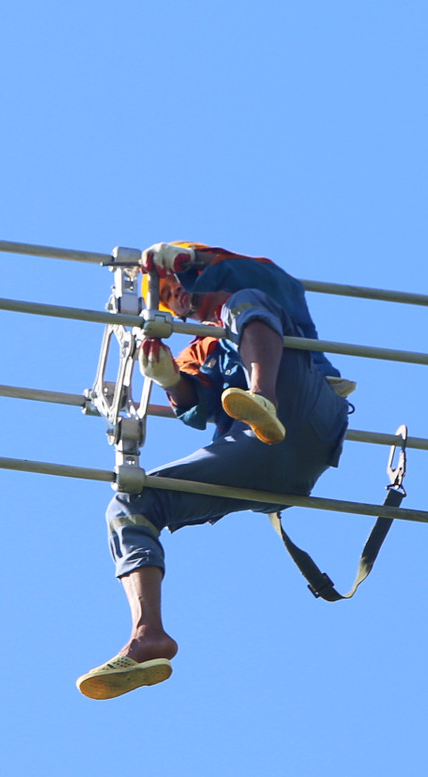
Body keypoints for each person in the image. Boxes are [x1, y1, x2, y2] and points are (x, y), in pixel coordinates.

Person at [76, 243, 351, 699]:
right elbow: (197, 404)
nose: (178, 298)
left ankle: (264, 397)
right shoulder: (202, 348)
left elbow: (266, 284)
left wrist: (194, 267)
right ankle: (149, 635)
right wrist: (169, 379)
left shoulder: (259, 295)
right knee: (132, 501)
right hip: (264, 460)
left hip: (308, 412)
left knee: (243, 303)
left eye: (177, 286)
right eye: (166, 296)